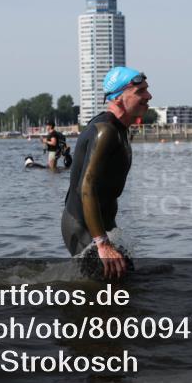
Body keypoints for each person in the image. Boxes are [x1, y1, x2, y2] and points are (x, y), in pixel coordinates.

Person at [61, 66, 151, 279]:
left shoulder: (119, 129)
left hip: (101, 224)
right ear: (119, 98)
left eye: (147, 90)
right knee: (111, 290)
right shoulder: (106, 132)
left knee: (129, 279)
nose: (149, 96)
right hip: (82, 225)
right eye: (140, 92)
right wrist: (102, 243)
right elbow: (87, 187)